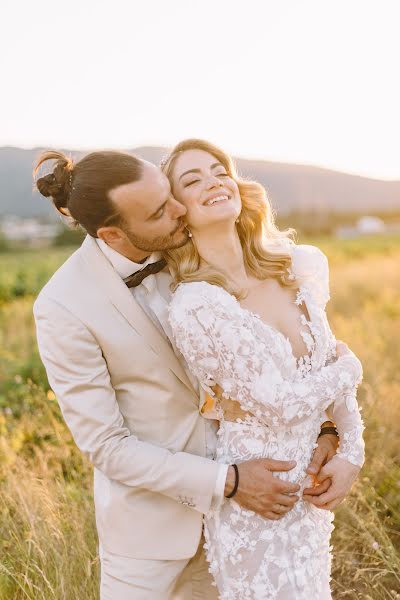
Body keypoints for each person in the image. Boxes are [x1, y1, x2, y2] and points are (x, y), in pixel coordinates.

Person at [33, 148, 346, 600]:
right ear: (114, 234)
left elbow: (285, 356)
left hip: (255, 524)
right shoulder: (64, 306)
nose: (181, 208)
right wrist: (230, 482)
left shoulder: (199, 250)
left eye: (170, 194)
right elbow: (106, 446)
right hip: (153, 543)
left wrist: (328, 428)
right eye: (161, 210)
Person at [162, 139, 365, 599]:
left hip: (311, 493)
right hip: (257, 501)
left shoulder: (301, 265)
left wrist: (352, 450)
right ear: (179, 211)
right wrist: (352, 368)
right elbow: (281, 405)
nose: (212, 182)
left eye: (219, 171)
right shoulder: (196, 304)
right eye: (192, 180)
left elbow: (329, 363)